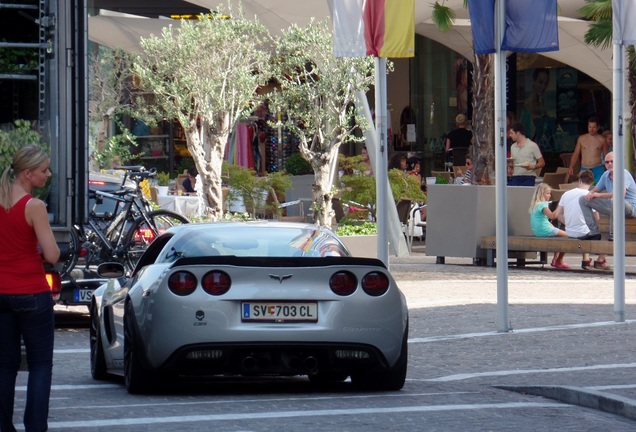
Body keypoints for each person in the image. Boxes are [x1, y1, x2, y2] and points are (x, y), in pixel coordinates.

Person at [0, 145, 60, 432]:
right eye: (43, 170)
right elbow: (51, 255)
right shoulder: (34, 206)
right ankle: (35, 427)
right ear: (27, 174)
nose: (48, 175)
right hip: (32, 294)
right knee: (40, 365)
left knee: (4, 365)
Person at [553, 170, 608, 270]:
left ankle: (586, 260)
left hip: (569, 231)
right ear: (592, 183)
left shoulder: (566, 194)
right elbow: (597, 218)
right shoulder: (590, 196)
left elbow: (557, 214)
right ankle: (596, 260)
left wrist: (569, 222)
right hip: (584, 232)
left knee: (584, 228)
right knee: (594, 231)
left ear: (579, 180)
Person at [579, 151, 636, 246]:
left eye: (612, 161)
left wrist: (599, 195)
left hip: (630, 208)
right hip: (613, 207)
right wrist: (590, 194)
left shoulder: (623, 174)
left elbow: (619, 195)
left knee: (615, 200)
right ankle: (594, 232)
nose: (609, 164)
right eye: (607, 162)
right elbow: (595, 190)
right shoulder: (606, 175)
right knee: (583, 199)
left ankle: (614, 234)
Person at [529, 183, 570, 269]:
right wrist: (559, 207)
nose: (549, 196)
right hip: (545, 230)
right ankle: (559, 260)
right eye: (547, 193)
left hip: (538, 231)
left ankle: (555, 259)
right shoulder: (543, 205)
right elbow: (552, 216)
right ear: (541, 193)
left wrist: (554, 228)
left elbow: (544, 220)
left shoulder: (535, 205)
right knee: (569, 236)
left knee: (559, 234)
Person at [568, 117, 609, 184]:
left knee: (599, 189)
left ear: (598, 127)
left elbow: (606, 156)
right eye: (590, 127)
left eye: (594, 127)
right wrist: (571, 166)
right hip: (584, 169)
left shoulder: (602, 140)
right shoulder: (581, 138)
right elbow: (576, 154)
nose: (591, 129)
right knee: (584, 190)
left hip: (598, 169)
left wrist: (609, 169)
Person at [509, 122, 545, 186]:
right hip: (516, 176)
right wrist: (510, 166)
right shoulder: (513, 147)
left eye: (512, 133)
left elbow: (542, 162)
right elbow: (512, 162)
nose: (510, 135)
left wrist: (533, 167)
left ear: (518, 133)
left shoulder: (532, 145)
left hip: (529, 176)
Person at [521, 68, 550, 140]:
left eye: (546, 83)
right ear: (534, 81)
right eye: (540, 82)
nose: (543, 87)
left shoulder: (541, 102)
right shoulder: (528, 104)